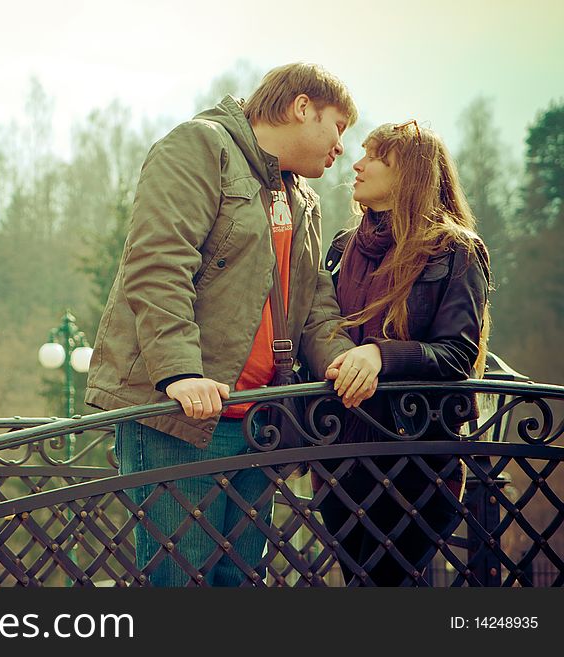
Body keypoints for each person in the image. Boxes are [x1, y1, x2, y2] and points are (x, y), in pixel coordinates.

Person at [85, 63, 377, 586]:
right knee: (181, 582)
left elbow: (312, 304)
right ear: (302, 106)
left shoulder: (300, 197)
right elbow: (158, 265)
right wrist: (179, 373)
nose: (341, 149)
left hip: (255, 421)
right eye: (339, 127)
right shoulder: (201, 147)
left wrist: (339, 356)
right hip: (182, 417)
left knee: (238, 582)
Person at [318, 120, 491, 586]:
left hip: (415, 457)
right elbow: (321, 328)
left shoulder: (456, 250)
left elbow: (458, 353)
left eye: (375, 158)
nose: (357, 164)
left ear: (408, 176)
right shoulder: (341, 247)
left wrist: (380, 355)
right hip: (338, 450)